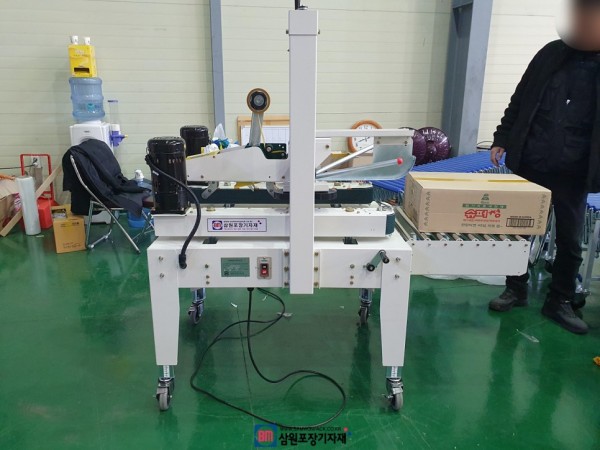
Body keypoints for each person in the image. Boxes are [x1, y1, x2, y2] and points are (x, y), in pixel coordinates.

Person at [488, 0, 600, 334]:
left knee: (569, 240)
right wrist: (502, 137)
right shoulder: (550, 54)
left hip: (574, 170)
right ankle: (515, 288)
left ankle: (560, 300)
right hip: (532, 160)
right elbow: (520, 98)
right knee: (519, 230)